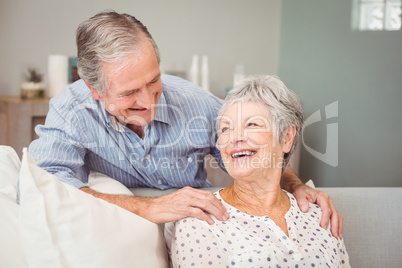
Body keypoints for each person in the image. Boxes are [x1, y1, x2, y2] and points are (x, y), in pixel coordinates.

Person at [29, 11, 342, 235]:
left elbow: (249, 154)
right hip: (118, 228)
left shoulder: (194, 102)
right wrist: (147, 207)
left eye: (153, 81)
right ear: (94, 91)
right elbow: (43, 185)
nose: (149, 101)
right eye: (130, 93)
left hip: (196, 226)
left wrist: (296, 186)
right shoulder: (71, 111)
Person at [165, 75, 350, 267]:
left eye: (252, 124)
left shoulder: (320, 214)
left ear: (286, 137)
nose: (235, 138)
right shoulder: (200, 221)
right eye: (226, 129)